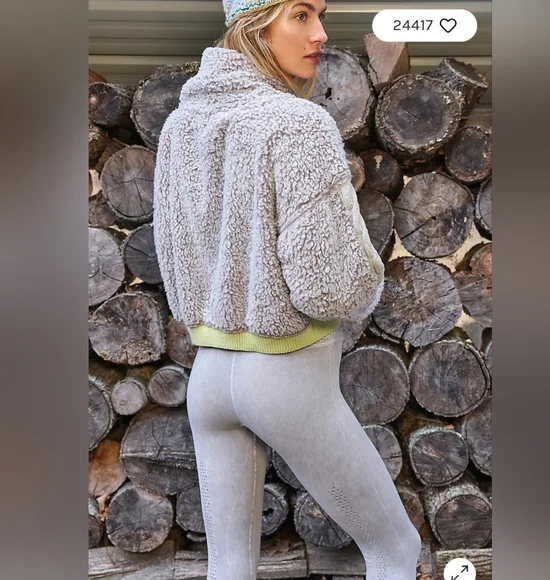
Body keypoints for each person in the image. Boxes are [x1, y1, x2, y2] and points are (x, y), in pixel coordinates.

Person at [153, 0, 422, 578]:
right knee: (395, 551)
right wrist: (366, 286)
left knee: (230, 567)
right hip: (286, 378)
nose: (320, 33)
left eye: (320, 14)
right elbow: (328, 286)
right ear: (255, 24)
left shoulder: (180, 125)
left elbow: (172, 255)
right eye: (300, 15)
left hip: (209, 380)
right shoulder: (298, 123)